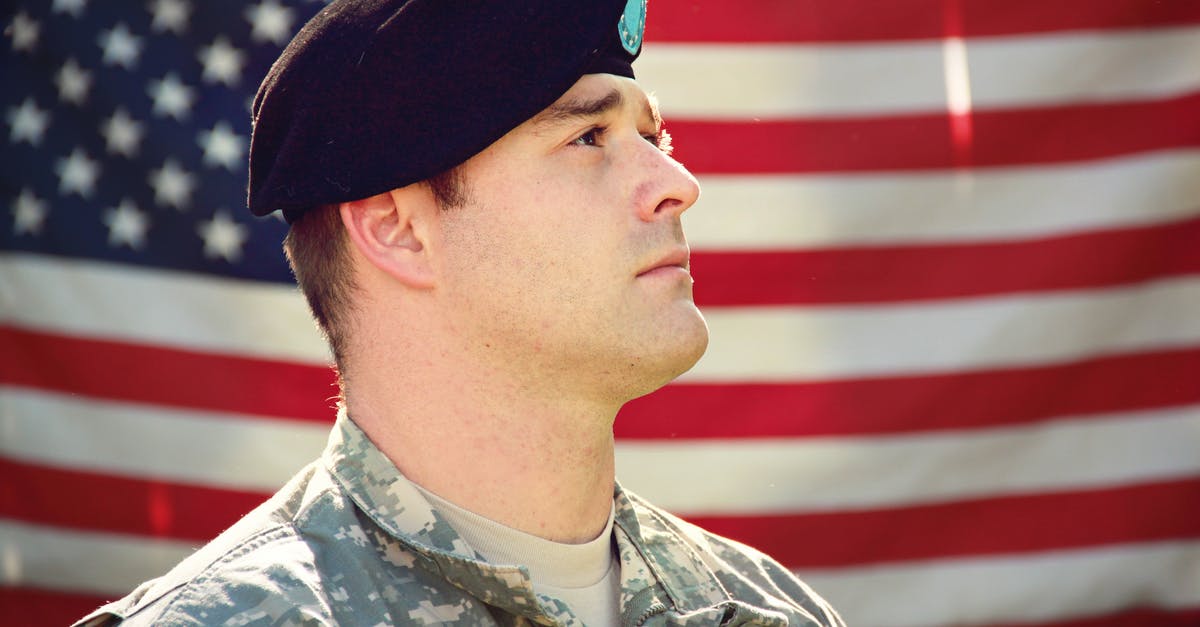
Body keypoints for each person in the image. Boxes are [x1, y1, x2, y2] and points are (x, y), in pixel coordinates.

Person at [75, 1, 845, 625]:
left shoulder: (768, 608)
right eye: (587, 136)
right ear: (396, 229)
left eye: (653, 135)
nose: (677, 181)